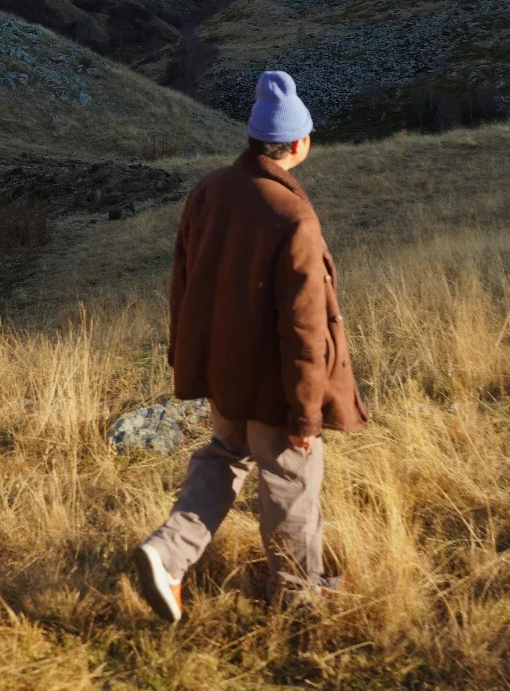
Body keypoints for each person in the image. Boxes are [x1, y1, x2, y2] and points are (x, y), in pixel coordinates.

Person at [134, 70, 367, 622]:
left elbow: (183, 282)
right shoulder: (294, 219)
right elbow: (306, 328)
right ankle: (295, 595)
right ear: (299, 144)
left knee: (225, 454)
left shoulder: (210, 190)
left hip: (223, 372)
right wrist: (305, 413)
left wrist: (191, 360)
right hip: (272, 386)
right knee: (290, 477)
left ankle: (166, 554)